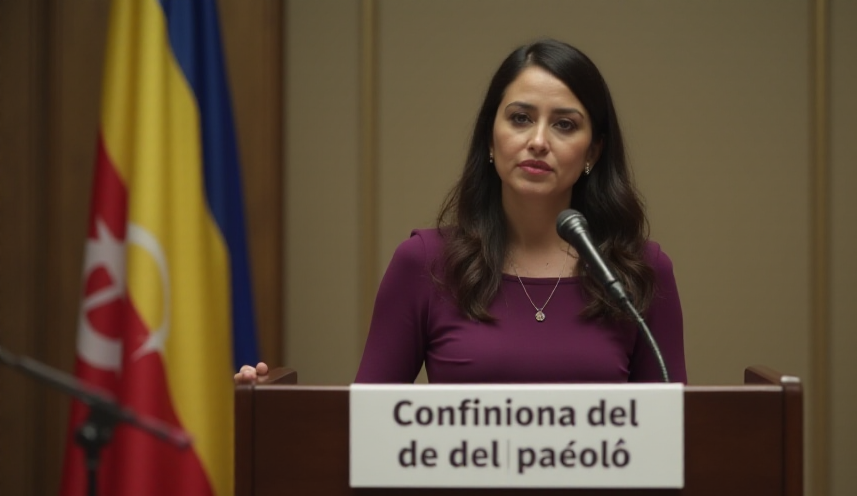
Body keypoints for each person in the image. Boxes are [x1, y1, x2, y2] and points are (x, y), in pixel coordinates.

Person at [236, 39, 686, 385]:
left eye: (565, 124)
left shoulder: (639, 272)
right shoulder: (425, 263)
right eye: (520, 118)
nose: (538, 141)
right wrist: (273, 411)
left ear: (594, 151)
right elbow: (365, 430)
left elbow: (674, 439)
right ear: (491, 140)